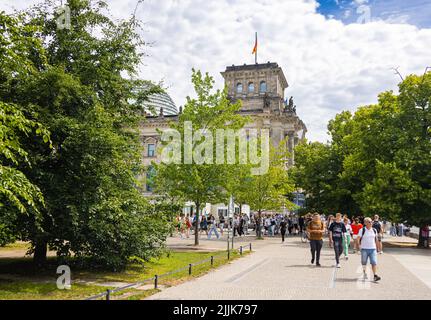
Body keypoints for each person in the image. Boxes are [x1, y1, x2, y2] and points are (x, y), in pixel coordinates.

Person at [358, 217, 381, 282]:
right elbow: (358, 239)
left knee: (374, 262)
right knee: (364, 262)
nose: (371, 223)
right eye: (369, 222)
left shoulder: (374, 230)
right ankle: (364, 273)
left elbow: (376, 239)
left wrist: (378, 248)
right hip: (364, 249)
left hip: (373, 249)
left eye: (371, 221)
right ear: (365, 223)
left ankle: (375, 275)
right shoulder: (362, 230)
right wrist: (358, 247)